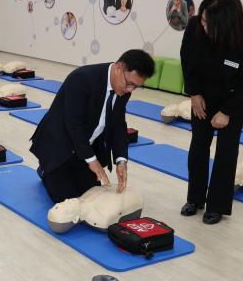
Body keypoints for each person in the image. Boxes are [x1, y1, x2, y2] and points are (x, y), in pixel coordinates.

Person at [30, 49, 155, 203]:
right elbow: (73, 124)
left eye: (135, 87)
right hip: (59, 144)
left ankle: (76, 166)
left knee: (91, 194)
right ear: (118, 67)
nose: (130, 90)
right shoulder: (82, 78)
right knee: (66, 199)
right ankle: (45, 169)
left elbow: (118, 124)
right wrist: (92, 161)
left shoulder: (124, 89)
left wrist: (121, 160)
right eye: (129, 84)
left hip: (85, 147)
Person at [180, 0, 243, 224]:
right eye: (203, 20)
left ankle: (217, 205)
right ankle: (195, 198)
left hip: (234, 101)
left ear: (225, 23)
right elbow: (188, 61)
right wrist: (194, 93)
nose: (203, 26)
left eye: (209, 23)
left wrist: (227, 112)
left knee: (226, 151)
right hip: (203, 96)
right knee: (198, 146)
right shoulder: (196, 27)